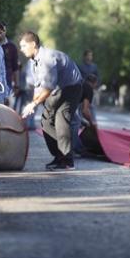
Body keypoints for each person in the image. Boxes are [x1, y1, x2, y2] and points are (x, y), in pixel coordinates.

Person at [20, 31, 82, 171]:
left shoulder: (48, 58)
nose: (21, 49)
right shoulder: (33, 61)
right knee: (46, 121)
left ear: (33, 44)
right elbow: (38, 87)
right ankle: (59, 156)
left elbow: (48, 87)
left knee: (61, 119)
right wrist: (32, 106)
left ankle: (67, 161)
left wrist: (33, 104)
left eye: (24, 46)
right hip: (58, 90)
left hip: (72, 87)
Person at [72, 74, 98, 154]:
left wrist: (84, 122)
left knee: (75, 121)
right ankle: (79, 149)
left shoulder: (81, 84)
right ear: (94, 83)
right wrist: (91, 123)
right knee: (74, 124)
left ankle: (76, 148)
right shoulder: (89, 89)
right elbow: (85, 111)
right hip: (68, 106)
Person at [0, 23, 19, 106]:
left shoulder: (11, 47)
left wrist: (16, 85)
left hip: (8, 84)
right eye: (0, 30)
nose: (2, 32)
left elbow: (15, 68)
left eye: (4, 30)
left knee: (6, 109)